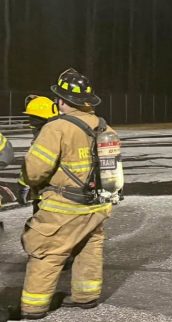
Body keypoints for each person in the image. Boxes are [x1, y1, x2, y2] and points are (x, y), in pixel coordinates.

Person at [19, 68, 116, 319]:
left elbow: (35, 171)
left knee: (47, 251)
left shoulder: (57, 128)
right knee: (89, 247)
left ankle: (34, 307)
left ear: (62, 101)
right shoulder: (105, 127)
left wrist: (30, 182)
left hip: (63, 205)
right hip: (97, 204)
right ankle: (86, 297)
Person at [18, 96, 60, 208]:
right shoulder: (62, 134)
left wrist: (23, 186)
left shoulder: (42, 140)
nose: (30, 123)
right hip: (65, 197)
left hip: (44, 196)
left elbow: (32, 166)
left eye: (31, 118)